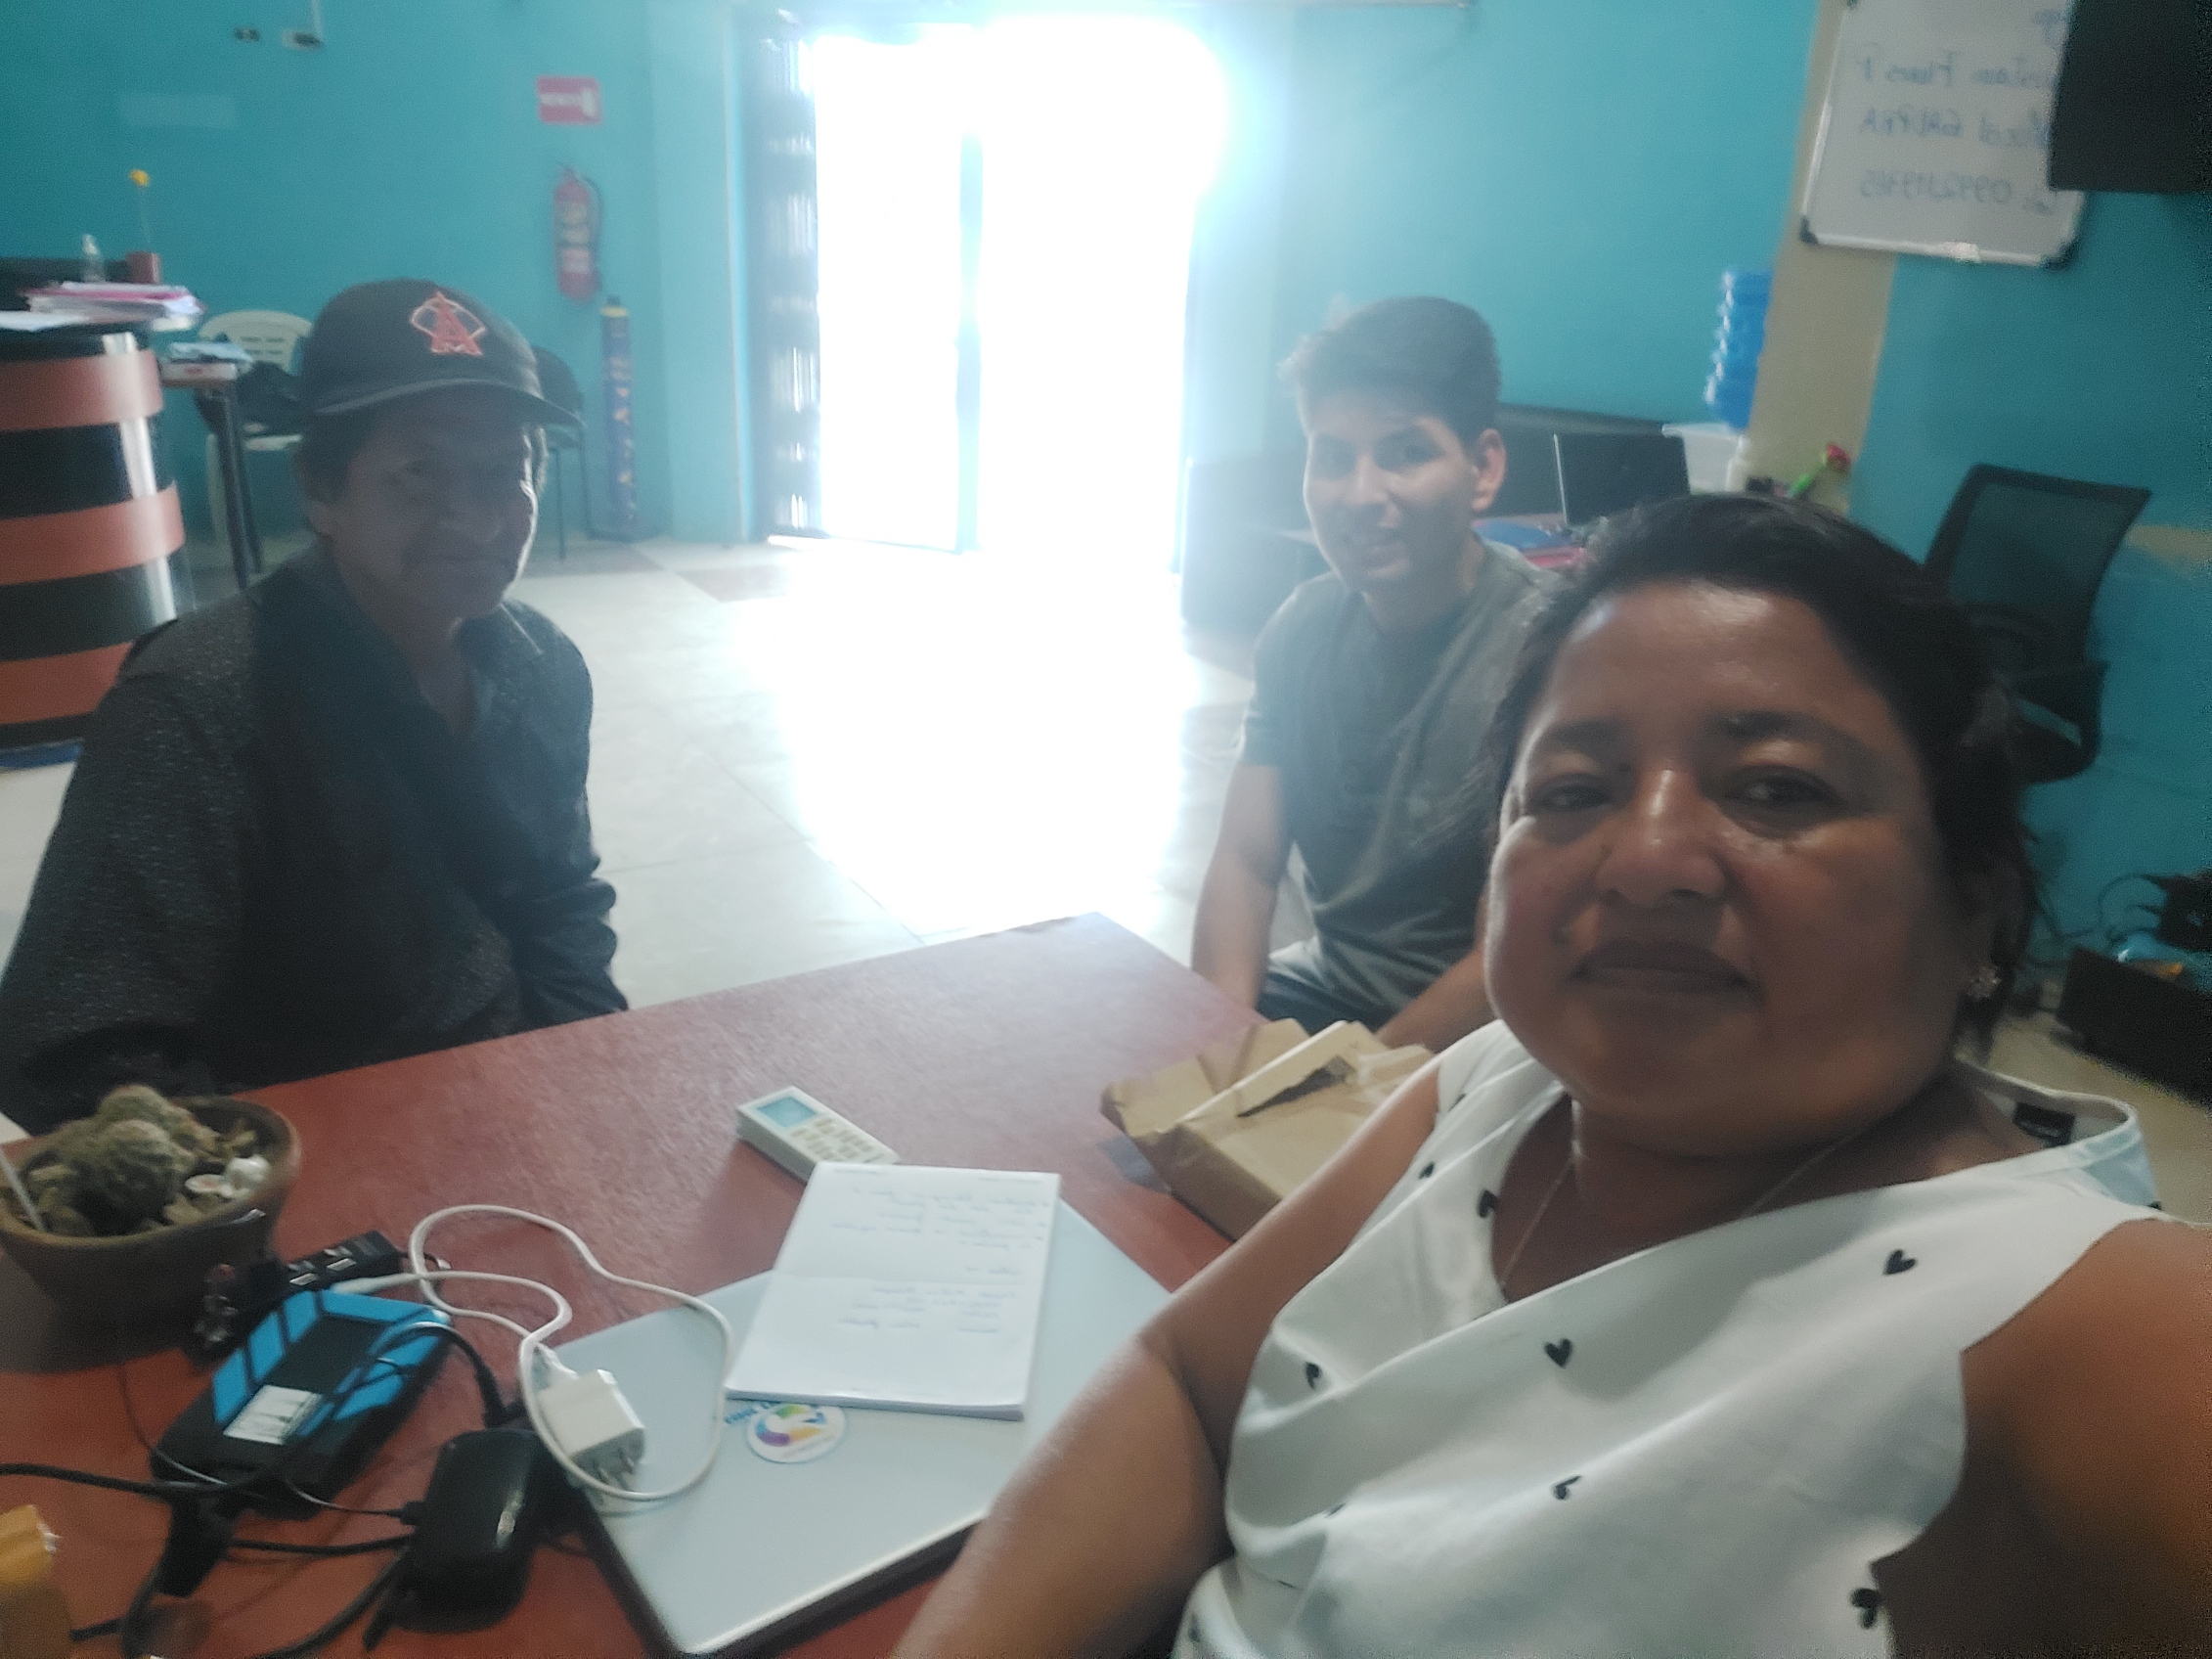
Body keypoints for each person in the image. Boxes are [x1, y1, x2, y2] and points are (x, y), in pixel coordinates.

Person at [902, 495, 2211, 1657]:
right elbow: (1185, 1386)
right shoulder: (1493, 1085)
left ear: (1976, 906)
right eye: (1573, 791)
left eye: (1773, 789)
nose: (1644, 859)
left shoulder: (2082, 1320)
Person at [0, 280, 624, 1132]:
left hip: (504, 1109)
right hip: (315, 1148)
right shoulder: (203, 706)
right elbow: (69, 1052)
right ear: (321, 491)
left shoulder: (541, 668)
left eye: (503, 473)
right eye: (421, 473)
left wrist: (580, 1081)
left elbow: (560, 901)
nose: (477, 520)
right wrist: (286, 1168)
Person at [1192, 297, 1549, 1054]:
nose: (1359, 494)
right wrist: (1221, 1051)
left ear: (1483, 468)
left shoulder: (1546, 655)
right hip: (1331, 987)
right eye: (1332, 458)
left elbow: (1507, 953)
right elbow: (1246, 866)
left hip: (1494, 1028)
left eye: (1405, 452)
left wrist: (1347, 1088)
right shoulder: (1301, 630)